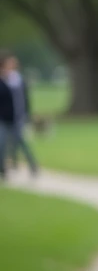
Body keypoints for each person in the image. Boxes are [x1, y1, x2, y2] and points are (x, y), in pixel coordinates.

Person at [0, 52, 39, 180]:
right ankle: (3, 169)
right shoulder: (3, 81)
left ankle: (32, 165)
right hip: (3, 119)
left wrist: (26, 114)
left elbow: (24, 100)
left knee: (20, 142)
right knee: (2, 143)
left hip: (17, 118)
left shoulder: (17, 80)